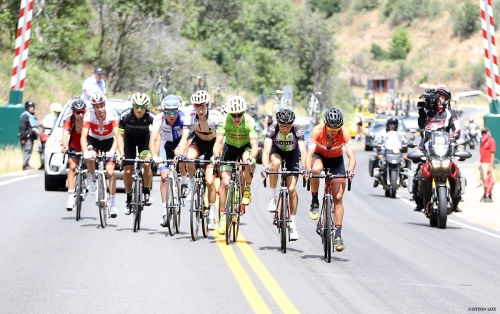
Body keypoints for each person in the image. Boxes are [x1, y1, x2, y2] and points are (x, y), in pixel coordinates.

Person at [305, 107, 356, 252]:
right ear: (325, 124)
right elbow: (309, 154)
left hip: (336, 161)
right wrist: (308, 170)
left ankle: (338, 235)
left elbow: (351, 156)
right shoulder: (317, 131)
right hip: (319, 157)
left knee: (338, 197)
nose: (334, 131)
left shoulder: (345, 133)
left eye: (337, 128)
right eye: (331, 128)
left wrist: (350, 170)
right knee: (315, 170)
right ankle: (315, 200)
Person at [213, 96, 259, 234]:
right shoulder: (224, 120)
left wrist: (251, 158)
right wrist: (216, 155)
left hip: (245, 147)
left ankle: (247, 189)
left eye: (239, 114)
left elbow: (255, 146)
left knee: (247, 161)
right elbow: (219, 141)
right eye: (234, 115)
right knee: (225, 184)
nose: (237, 117)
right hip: (230, 148)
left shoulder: (250, 121)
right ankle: (222, 218)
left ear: (243, 113)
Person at [413, 86, 462, 212]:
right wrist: (421, 111)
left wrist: (452, 139)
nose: (440, 99)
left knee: (457, 172)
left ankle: (456, 200)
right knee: (418, 172)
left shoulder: (451, 113)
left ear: (447, 99)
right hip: (428, 148)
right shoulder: (429, 112)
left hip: (445, 150)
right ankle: (418, 201)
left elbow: (457, 129)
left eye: (443, 97)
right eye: (439, 96)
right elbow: (421, 125)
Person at [261, 108, 307, 240]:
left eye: (288, 126)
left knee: (292, 189)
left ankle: (293, 223)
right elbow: (265, 151)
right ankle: (272, 197)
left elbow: (303, 152)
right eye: (282, 126)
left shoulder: (297, 129)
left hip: (293, 154)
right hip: (277, 152)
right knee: (275, 164)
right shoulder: (272, 129)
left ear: (292, 124)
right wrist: (265, 168)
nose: (285, 129)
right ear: (278, 123)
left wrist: (304, 167)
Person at [177, 90, 220, 230]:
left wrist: (216, 156)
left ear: (207, 104)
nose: (200, 110)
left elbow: (220, 139)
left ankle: (212, 215)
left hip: (213, 144)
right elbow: (184, 138)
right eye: (197, 107)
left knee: (209, 181)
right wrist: (181, 153)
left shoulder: (215, 116)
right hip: (199, 142)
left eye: (202, 106)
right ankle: (191, 186)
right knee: (188, 158)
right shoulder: (190, 116)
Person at [149, 95, 189, 227]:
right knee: (164, 176)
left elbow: (185, 138)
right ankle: (165, 212)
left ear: (178, 110)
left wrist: (182, 153)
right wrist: (155, 156)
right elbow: (153, 140)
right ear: (164, 111)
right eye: (169, 111)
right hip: (166, 144)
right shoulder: (158, 118)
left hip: (180, 143)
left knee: (180, 156)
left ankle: (184, 184)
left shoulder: (184, 118)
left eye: (175, 111)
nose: (172, 114)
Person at [81, 94, 120, 218]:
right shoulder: (89, 116)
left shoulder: (112, 114)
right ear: (93, 107)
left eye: (102, 106)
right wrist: (85, 152)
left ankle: (113, 204)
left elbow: (117, 136)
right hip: (95, 140)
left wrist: (113, 150)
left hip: (109, 141)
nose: (100, 109)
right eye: (97, 107)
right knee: (90, 158)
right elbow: (83, 137)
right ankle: (92, 179)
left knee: (110, 172)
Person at [117, 92, 156, 215]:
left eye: (143, 107)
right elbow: (119, 136)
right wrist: (121, 153)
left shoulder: (151, 117)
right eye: (137, 106)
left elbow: (156, 137)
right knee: (128, 171)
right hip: (129, 141)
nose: (139, 110)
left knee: (146, 164)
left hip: (144, 140)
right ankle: (128, 200)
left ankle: (147, 192)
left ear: (147, 107)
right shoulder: (125, 116)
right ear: (132, 105)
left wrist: (155, 155)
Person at [61, 98, 87, 210]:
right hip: (74, 145)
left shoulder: (89, 120)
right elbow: (65, 136)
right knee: (72, 167)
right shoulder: (69, 120)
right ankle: (71, 197)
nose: (81, 115)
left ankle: (86, 180)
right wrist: (65, 147)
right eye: (78, 112)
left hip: (87, 144)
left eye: (83, 112)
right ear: (73, 112)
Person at [373, 116, 407, 187]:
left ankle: (404, 178)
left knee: (405, 160)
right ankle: (377, 178)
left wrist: (406, 144)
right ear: (388, 125)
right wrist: (377, 143)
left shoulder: (399, 133)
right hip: (385, 151)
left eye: (394, 124)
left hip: (396, 151)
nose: (392, 126)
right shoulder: (382, 132)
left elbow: (404, 141)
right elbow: (377, 139)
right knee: (379, 159)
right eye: (391, 124)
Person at [19, 100, 38, 170]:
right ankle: (25, 165)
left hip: (31, 136)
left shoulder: (31, 116)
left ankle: (27, 163)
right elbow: (22, 127)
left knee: (30, 150)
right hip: (27, 136)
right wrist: (23, 138)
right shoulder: (25, 115)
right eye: (30, 107)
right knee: (27, 149)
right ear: (27, 107)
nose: (32, 108)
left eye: (32, 107)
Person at [479, 127, 496, 202]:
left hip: (487, 162)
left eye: (485, 132)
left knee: (488, 180)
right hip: (483, 162)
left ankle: (489, 195)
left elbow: (492, 154)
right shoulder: (483, 141)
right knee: (483, 180)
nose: (483, 134)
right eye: (482, 132)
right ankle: (485, 194)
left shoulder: (491, 141)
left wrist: (490, 166)